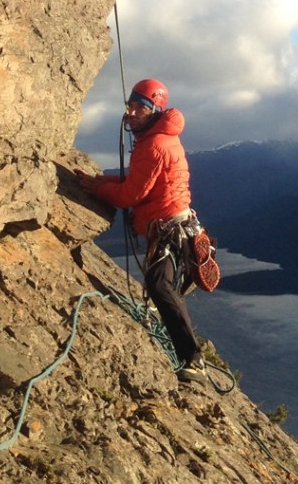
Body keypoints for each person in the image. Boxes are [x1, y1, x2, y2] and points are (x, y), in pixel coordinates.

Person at [77, 78, 207, 383]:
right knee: (163, 287)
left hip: (167, 228)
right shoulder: (159, 138)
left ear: (154, 110)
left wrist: (97, 189)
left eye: (140, 108)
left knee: (160, 287)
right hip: (177, 225)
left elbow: (130, 196)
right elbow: (134, 183)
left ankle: (194, 359)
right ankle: (190, 354)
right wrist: (100, 182)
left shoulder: (154, 145)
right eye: (130, 106)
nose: (132, 113)